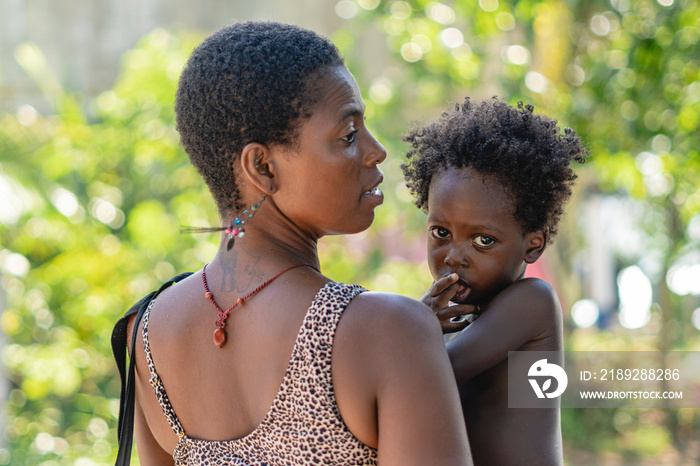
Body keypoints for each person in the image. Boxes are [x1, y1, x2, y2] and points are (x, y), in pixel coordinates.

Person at [111, 21, 472, 466]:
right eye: (348, 135)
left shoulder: (145, 334)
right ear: (262, 166)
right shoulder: (388, 331)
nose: (376, 151)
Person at [401, 97, 588, 466]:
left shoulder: (533, 302)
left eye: (483, 240)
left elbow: (434, 376)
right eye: (441, 232)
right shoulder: (457, 318)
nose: (453, 256)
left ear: (533, 244)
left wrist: (415, 324)